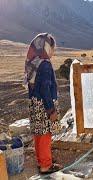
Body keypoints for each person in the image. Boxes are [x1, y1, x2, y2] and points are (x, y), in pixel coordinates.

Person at [23, 33, 63, 174]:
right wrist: (51, 110)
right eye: (51, 47)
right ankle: (46, 165)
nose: (53, 51)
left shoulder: (33, 62)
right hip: (44, 105)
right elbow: (45, 88)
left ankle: (41, 162)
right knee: (45, 135)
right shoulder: (45, 64)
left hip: (35, 104)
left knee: (38, 134)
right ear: (45, 47)